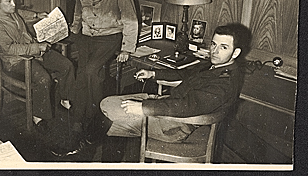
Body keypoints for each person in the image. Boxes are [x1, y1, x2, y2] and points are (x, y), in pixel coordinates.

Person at [100, 23, 251, 143]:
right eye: (213, 44)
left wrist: (144, 107)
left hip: (177, 124)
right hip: (169, 106)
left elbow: (188, 106)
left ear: (235, 53)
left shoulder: (225, 82)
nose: (215, 51)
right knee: (107, 106)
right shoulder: (215, 65)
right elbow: (185, 74)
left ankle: (97, 152)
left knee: (108, 113)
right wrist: (153, 73)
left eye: (223, 47)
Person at [0, 0, 76, 128]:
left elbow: (20, 12)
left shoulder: (11, 12)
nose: (14, 4)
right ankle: (38, 116)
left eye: (14, 0)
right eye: (9, 1)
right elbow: (9, 48)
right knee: (43, 78)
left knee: (67, 65)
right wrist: (37, 47)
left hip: (33, 52)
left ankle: (64, 99)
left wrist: (36, 15)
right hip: (16, 61)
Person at [69, 0, 138, 135]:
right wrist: (73, 31)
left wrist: (127, 48)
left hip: (110, 36)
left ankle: (97, 117)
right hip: (86, 36)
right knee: (82, 73)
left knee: (92, 70)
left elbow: (130, 19)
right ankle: (77, 120)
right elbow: (78, 12)